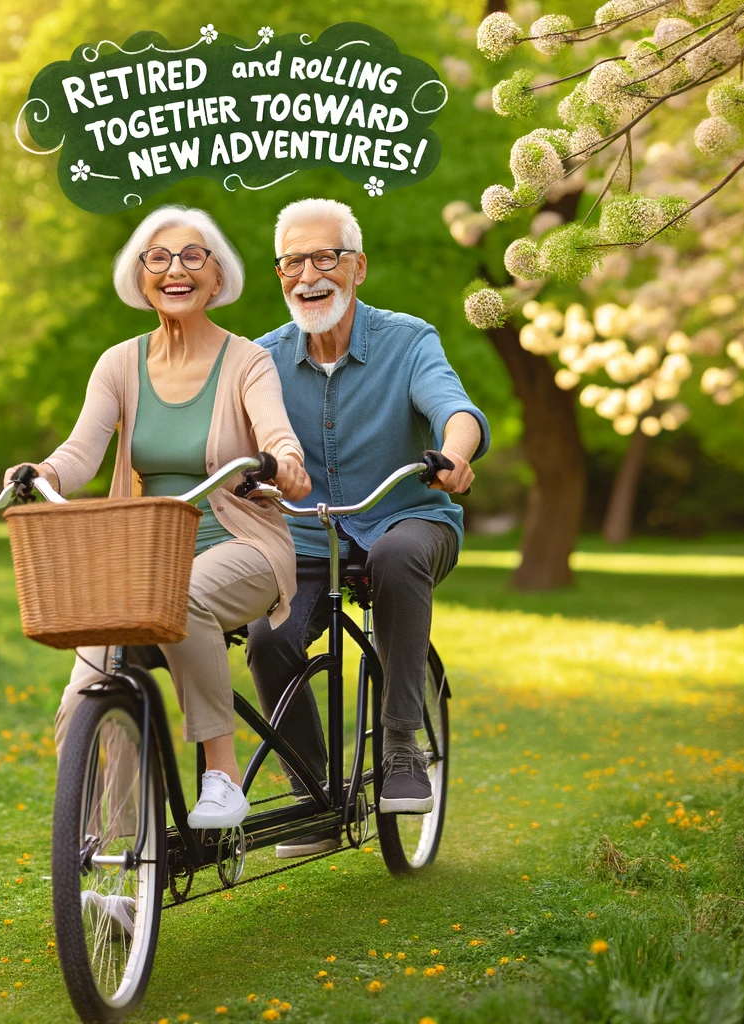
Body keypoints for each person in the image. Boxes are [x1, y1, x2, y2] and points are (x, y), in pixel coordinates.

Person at [5, 205, 310, 830]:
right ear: (140, 277)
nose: (176, 269)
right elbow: (79, 452)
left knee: (188, 596)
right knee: (89, 684)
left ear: (217, 277)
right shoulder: (119, 363)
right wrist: (42, 475)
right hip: (145, 556)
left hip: (241, 542)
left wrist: (284, 462)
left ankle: (221, 776)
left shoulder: (247, 361)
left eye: (193, 256)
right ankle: (115, 857)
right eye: (159, 257)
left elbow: (278, 435)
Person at [246, 197, 490, 857]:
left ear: (357, 267)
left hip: (407, 517)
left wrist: (456, 455)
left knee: (396, 556)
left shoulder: (407, 340)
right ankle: (312, 794)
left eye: (324, 257)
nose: (308, 274)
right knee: (267, 639)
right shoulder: (261, 359)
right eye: (293, 261)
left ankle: (402, 745)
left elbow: (453, 408)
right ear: (280, 275)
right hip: (304, 537)